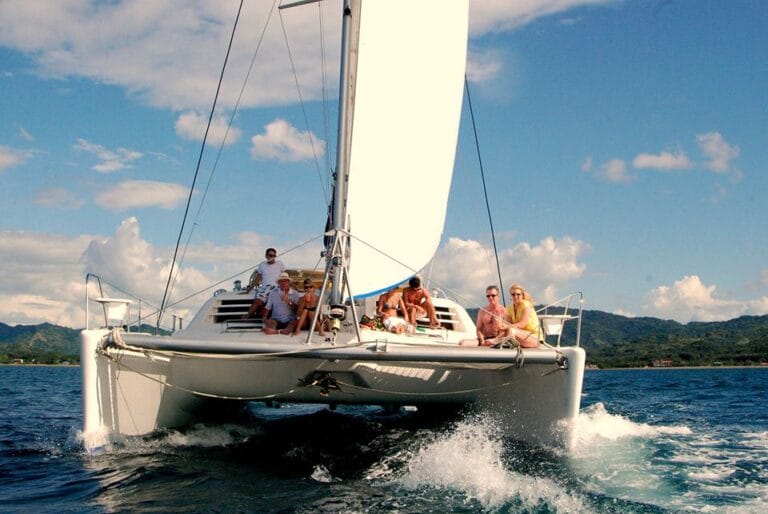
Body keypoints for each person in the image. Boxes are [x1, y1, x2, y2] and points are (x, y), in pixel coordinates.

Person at [243, 248, 285, 319]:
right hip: (265, 288)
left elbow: (285, 276)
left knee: (277, 302)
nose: (273, 257)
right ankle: (248, 316)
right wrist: (248, 290)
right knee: (257, 301)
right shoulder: (262, 265)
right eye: (271, 255)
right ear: (266, 256)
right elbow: (257, 279)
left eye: (274, 256)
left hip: (276, 288)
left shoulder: (280, 264)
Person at [504, 284, 541, 348]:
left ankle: (510, 348)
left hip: (534, 337)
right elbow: (507, 323)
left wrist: (506, 326)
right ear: (511, 296)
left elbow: (522, 324)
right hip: (519, 335)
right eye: (513, 294)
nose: (515, 296)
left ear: (522, 295)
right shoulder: (509, 308)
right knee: (507, 330)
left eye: (518, 294)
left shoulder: (526, 305)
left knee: (511, 330)